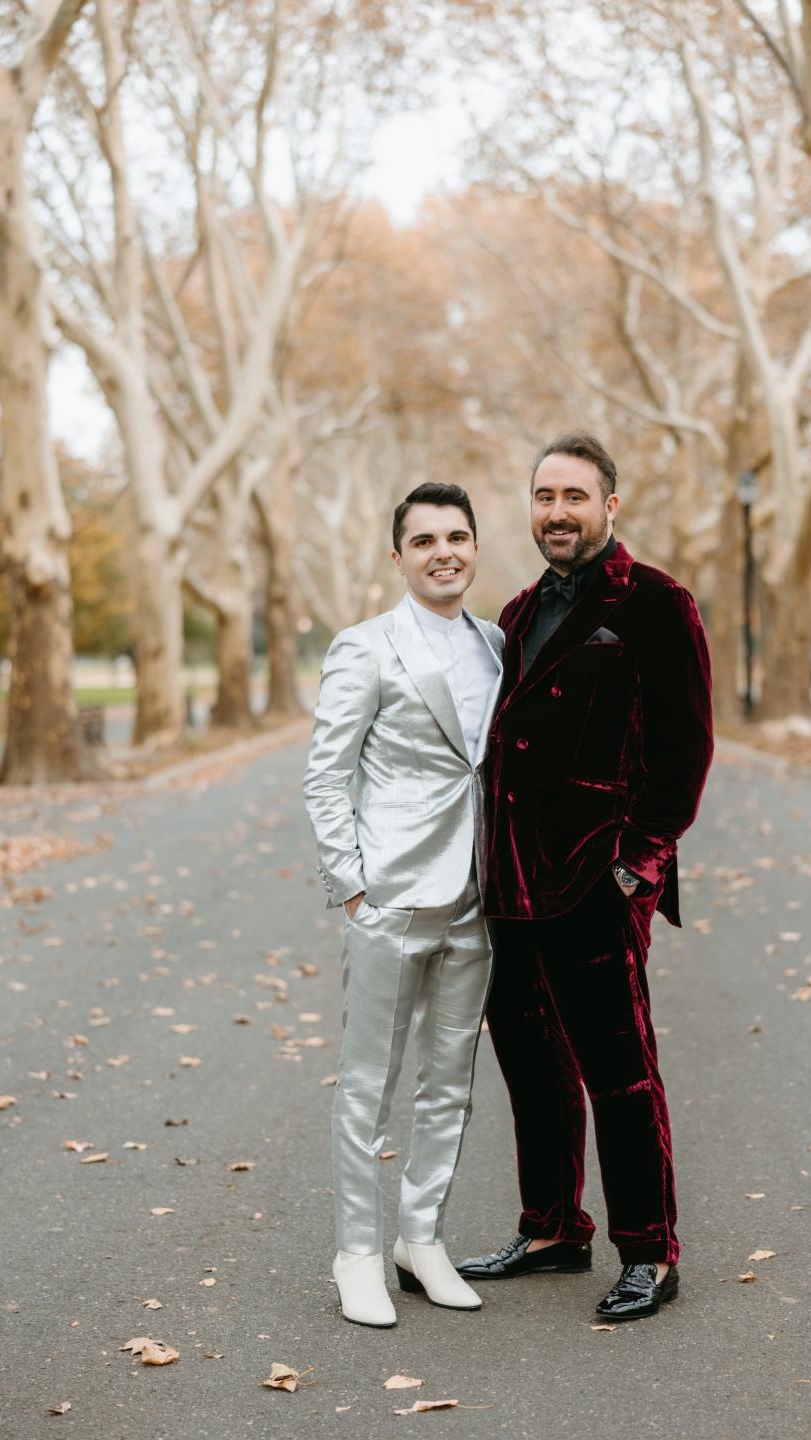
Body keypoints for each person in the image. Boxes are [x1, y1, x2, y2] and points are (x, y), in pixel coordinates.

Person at [458, 433, 714, 1322]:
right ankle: (553, 1229)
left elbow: (684, 752)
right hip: (510, 884)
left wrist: (635, 870)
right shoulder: (518, 613)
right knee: (531, 1067)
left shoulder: (655, 602)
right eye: (543, 497)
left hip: (595, 883)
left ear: (610, 505)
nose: (556, 512)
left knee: (620, 1074)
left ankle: (650, 1251)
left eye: (573, 496)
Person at [303, 482, 504, 1328]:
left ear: (473, 547)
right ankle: (357, 1250)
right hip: (388, 895)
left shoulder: (497, 644)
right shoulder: (366, 646)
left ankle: (419, 1239)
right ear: (399, 557)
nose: (444, 552)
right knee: (367, 1088)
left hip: (478, 898)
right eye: (425, 541)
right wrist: (350, 884)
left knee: (448, 1084)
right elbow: (326, 772)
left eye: (457, 536)